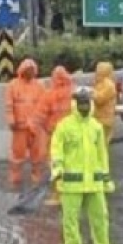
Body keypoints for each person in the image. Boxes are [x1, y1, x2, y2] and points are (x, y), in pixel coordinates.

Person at [51, 87, 119, 244]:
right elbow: (56, 149)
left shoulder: (96, 127)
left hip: (94, 184)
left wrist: (106, 178)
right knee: (71, 220)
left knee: (100, 217)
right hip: (72, 184)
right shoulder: (64, 126)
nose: (84, 106)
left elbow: (102, 155)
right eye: (80, 102)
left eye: (86, 102)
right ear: (74, 103)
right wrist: (57, 167)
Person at [5, 59, 47, 190]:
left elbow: (44, 105)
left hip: (35, 127)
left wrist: (42, 122)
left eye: (33, 71)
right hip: (19, 127)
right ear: (22, 71)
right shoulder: (12, 85)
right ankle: (15, 178)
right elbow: (9, 105)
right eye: (29, 70)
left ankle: (37, 177)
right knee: (17, 155)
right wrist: (11, 120)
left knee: (38, 155)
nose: (31, 73)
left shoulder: (40, 86)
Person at [43, 66, 76, 206]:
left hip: (55, 135)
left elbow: (42, 114)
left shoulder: (50, 95)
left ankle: (58, 195)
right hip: (72, 135)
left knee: (55, 163)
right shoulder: (74, 92)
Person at [91, 61, 118, 153]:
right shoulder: (100, 83)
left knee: (102, 145)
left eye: (99, 69)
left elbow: (99, 99)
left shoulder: (108, 85)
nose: (97, 71)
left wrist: (91, 93)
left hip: (105, 119)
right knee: (98, 145)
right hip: (98, 118)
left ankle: (101, 164)